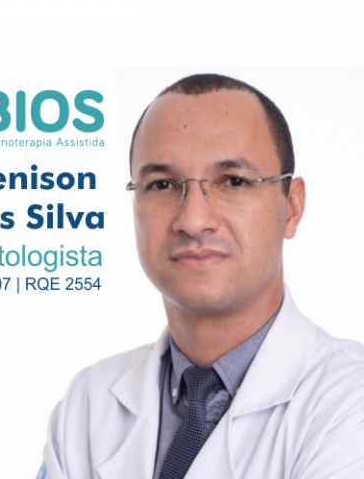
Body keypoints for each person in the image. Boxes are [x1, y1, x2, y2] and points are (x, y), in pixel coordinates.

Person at [37, 74, 364, 479]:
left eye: (233, 181)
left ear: (291, 207)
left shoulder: (349, 403)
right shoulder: (88, 403)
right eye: (162, 184)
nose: (193, 221)